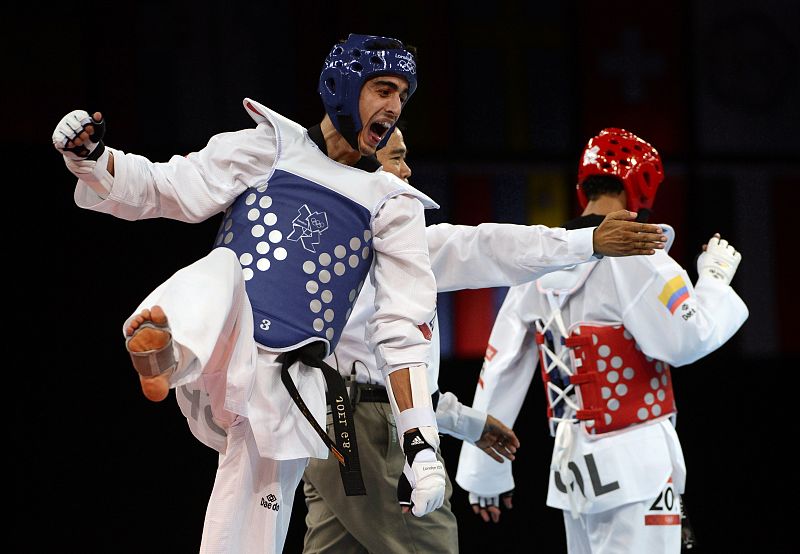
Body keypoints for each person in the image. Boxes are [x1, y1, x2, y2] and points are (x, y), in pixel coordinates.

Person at [52, 34, 449, 554]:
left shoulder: (391, 203)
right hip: (224, 337)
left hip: (288, 383)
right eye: (382, 88)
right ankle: (165, 351)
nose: (395, 107)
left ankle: (175, 351)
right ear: (341, 85)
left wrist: (422, 448)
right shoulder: (270, 147)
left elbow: (403, 332)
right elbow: (165, 187)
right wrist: (93, 159)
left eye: (402, 94)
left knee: (247, 532)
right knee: (222, 269)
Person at [301, 127, 671, 553]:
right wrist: (588, 239)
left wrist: (467, 422)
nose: (408, 171)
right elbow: (497, 248)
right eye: (397, 158)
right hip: (377, 437)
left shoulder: (314, 245)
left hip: (327, 434)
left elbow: (379, 379)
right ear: (363, 168)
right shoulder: (400, 245)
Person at [456, 128, 749, 553]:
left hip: (572, 465)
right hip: (636, 462)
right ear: (642, 187)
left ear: (583, 188)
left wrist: (485, 473)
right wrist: (715, 280)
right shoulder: (640, 257)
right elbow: (688, 338)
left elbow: (499, 366)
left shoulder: (541, 261)